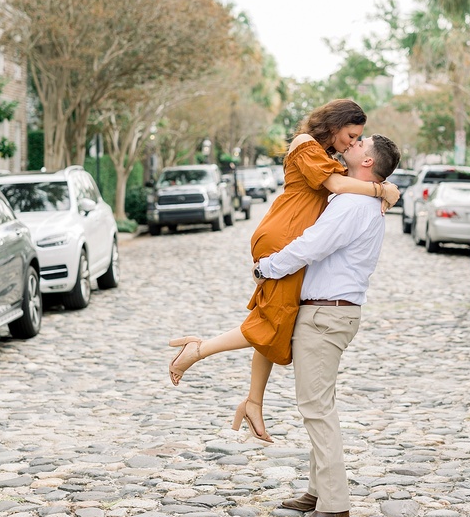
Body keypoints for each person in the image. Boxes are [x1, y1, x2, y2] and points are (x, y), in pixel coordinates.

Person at [167, 100, 400, 443]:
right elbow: (336, 187)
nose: (352, 143)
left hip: (292, 238)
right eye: (351, 135)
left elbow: (339, 185)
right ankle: (198, 350)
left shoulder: (324, 154)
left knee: (276, 319)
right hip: (284, 237)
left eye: (357, 140)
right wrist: (384, 189)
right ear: (335, 125)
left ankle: (254, 402)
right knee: (273, 320)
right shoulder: (305, 145)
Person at [254, 132, 400, 517]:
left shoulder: (354, 203)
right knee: (321, 403)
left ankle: (335, 506)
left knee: (317, 410)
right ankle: (319, 490)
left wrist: (267, 268)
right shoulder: (361, 198)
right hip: (330, 313)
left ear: (368, 162)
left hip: (325, 315)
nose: (349, 146)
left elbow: (312, 245)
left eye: (358, 144)